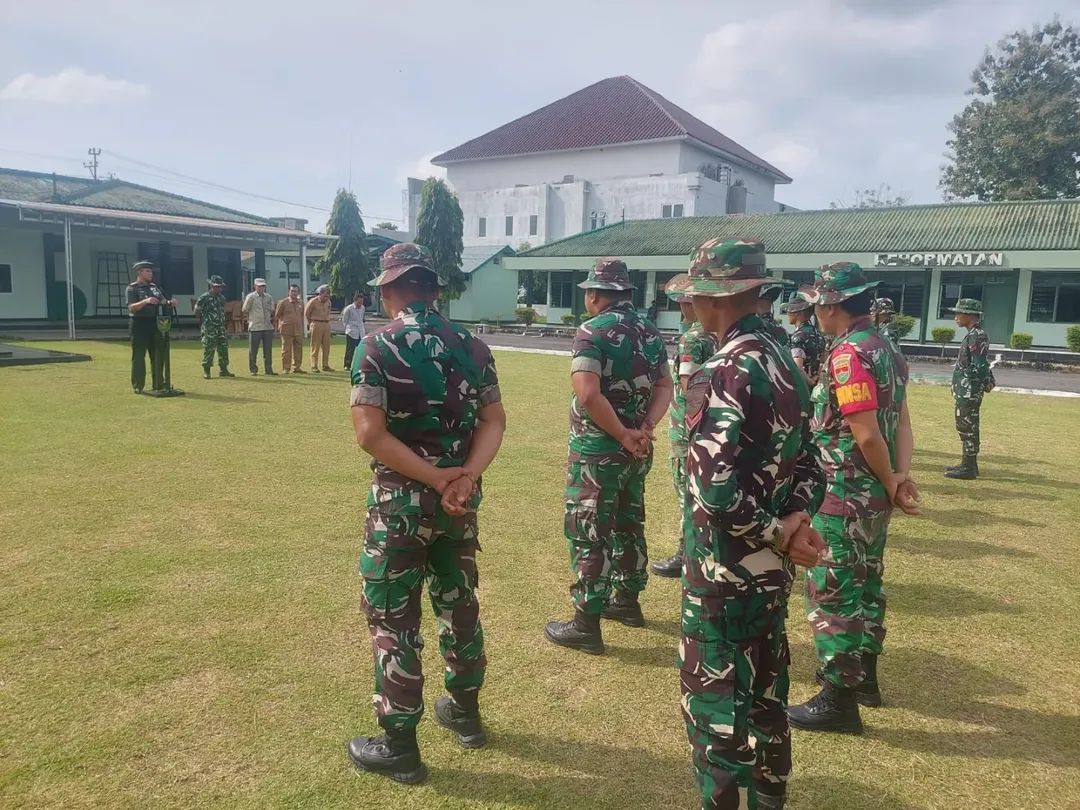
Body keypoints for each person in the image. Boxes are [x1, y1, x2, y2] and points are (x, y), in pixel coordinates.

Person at [346, 243, 506, 785]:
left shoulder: (377, 346)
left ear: (389, 290)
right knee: (459, 604)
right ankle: (466, 714)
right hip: (458, 505)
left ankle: (400, 747)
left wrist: (435, 477)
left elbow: (370, 434)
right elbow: (494, 421)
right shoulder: (473, 346)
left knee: (394, 618)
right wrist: (462, 476)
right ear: (434, 290)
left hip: (400, 508)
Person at [677, 238, 826, 810]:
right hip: (770, 573)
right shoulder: (785, 360)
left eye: (695, 295)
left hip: (722, 573)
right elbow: (813, 458)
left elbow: (713, 492)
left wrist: (775, 531)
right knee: (765, 690)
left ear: (715, 297)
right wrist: (793, 522)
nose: (689, 306)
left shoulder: (719, 371)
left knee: (714, 703)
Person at [788, 262, 919, 735]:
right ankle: (866, 680)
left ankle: (838, 698)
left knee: (835, 588)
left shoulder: (847, 356)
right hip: (873, 495)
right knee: (866, 582)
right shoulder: (886, 348)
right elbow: (901, 423)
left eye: (819, 303)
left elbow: (865, 435)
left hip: (844, 491)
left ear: (831, 305)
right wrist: (899, 478)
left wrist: (889, 480)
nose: (816, 311)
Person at [544, 257, 673, 654]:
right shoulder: (651, 332)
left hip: (598, 451)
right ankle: (627, 601)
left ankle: (586, 622)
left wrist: (620, 433)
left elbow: (588, 393)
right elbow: (665, 385)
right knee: (628, 521)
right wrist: (644, 428)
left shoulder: (592, 331)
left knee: (589, 530)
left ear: (596, 294)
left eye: (588, 292)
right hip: (636, 449)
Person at [650, 273, 717, 579]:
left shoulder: (693, 338)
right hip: (714, 430)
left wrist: (692, 435)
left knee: (687, 495)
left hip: (688, 432)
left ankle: (687, 554)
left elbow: (692, 390)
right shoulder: (719, 334)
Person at [945, 298, 993, 480]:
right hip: (966, 388)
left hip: (969, 390)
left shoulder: (977, 335)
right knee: (965, 424)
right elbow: (981, 364)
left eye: (958, 313)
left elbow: (979, 366)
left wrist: (973, 384)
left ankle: (969, 467)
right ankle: (968, 464)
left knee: (967, 425)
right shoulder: (974, 334)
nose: (955, 317)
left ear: (969, 315)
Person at [125, 260, 177, 394]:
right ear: (139, 272)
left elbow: (163, 301)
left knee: (158, 355)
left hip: (156, 324)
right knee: (139, 356)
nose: (150, 273)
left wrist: (170, 303)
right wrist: (145, 301)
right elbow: (131, 308)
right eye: (147, 271)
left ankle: (158, 383)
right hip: (139, 324)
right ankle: (138, 385)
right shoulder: (132, 288)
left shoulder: (156, 287)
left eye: (151, 271)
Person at [193, 275, 234, 379]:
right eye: (217, 286)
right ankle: (207, 370)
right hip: (209, 327)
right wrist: (204, 321)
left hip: (220, 327)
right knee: (209, 349)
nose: (219, 288)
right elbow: (196, 311)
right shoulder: (204, 297)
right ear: (211, 286)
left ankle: (223, 369)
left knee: (223, 348)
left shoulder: (222, 298)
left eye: (220, 286)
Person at [783, 293, 827, 385]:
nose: (787, 313)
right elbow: (823, 362)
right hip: (816, 385)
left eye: (790, 310)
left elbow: (797, 367)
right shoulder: (818, 335)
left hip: (801, 388)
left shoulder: (798, 337)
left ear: (798, 313)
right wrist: (816, 378)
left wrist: (810, 382)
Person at [242, 278, 276, 376]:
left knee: (268, 350)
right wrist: (249, 320)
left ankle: (268, 369)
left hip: (267, 326)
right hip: (255, 326)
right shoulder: (251, 297)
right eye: (260, 286)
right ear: (255, 286)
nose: (262, 288)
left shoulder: (268, 297)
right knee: (253, 350)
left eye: (263, 286)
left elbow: (272, 309)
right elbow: (245, 309)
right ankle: (253, 369)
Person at [275, 284, 306, 373]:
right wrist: (281, 324)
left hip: (298, 330)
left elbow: (301, 315)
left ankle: (297, 367)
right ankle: (286, 368)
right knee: (286, 350)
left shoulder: (301, 303)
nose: (293, 293)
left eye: (295, 291)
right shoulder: (283, 302)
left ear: (298, 292)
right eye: (292, 291)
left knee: (298, 349)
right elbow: (277, 315)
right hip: (286, 329)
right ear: (289, 291)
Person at [306, 284, 333, 372]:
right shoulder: (313, 301)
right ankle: (314, 365)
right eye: (325, 295)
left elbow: (328, 312)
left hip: (326, 324)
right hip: (316, 323)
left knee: (326, 346)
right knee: (315, 346)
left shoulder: (328, 302)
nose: (327, 297)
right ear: (320, 294)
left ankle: (325, 365)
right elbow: (307, 313)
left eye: (328, 295)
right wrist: (311, 324)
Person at [341, 291, 367, 371]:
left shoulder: (363, 308)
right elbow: (344, 320)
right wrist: (349, 329)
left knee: (362, 349)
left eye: (361, 302)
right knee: (350, 350)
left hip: (361, 332)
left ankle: (361, 365)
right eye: (359, 302)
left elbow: (361, 319)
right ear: (355, 301)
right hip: (351, 331)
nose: (360, 304)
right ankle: (347, 365)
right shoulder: (349, 309)